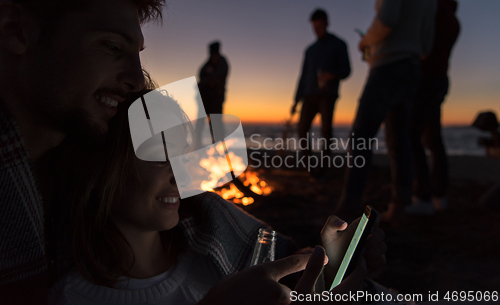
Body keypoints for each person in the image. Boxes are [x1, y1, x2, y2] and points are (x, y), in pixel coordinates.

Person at [50, 89, 387, 305]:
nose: (179, 173)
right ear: (101, 170)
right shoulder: (73, 296)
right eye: (157, 156)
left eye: (181, 155)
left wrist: (329, 271)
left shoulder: (216, 245)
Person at [0, 0, 164, 303]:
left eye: (138, 55)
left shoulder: (90, 170)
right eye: (112, 46)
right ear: (15, 30)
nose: (136, 80)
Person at [336, 0, 436, 223]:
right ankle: (400, 203)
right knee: (399, 139)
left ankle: (348, 206)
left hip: (388, 68)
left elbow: (388, 18)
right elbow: (426, 43)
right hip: (412, 67)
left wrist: (367, 43)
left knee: (361, 136)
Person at [407, 0, 460, 214]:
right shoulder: (447, 13)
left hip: (426, 79)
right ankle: (440, 195)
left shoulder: (428, 5)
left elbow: (420, 47)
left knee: (412, 135)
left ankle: (423, 196)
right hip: (439, 78)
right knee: (433, 137)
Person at [291, 9, 351, 168]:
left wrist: (331, 75)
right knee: (302, 129)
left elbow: (347, 70)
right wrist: (296, 100)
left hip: (327, 95)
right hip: (309, 95)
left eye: (319, 26)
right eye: (314, 27)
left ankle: (324, 166)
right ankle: (309, 164)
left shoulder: (339, 44)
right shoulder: (310, 50)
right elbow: (303, 76)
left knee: (326, 131)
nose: (316, 30)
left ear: (326, 24)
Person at [195, 41, 229, 148]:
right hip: (204, 98)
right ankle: (197, 146)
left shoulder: (222, 62)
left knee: (216, 123)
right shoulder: (208, 63)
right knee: (200, 123)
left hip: (216, 98)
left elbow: (217, 77)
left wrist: (206, 80)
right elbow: (201, 74)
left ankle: (218, 147)